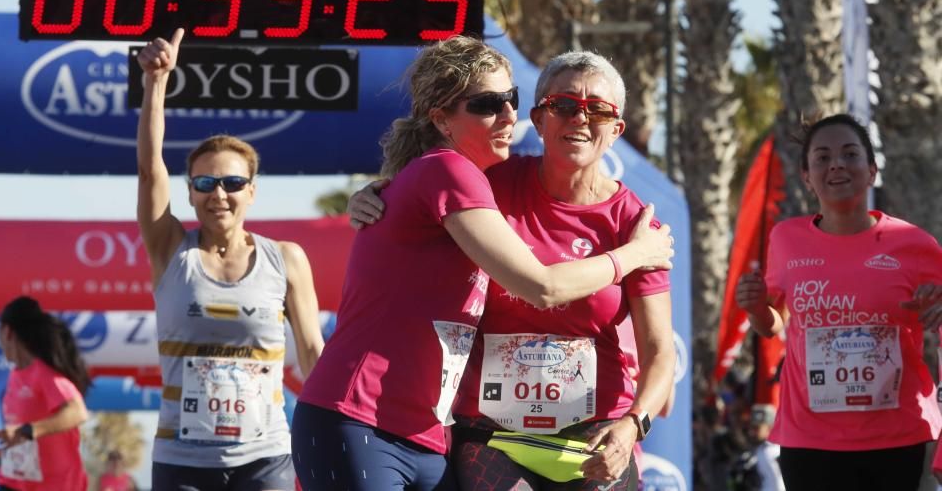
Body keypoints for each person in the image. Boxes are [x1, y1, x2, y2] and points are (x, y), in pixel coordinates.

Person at [293, 37, 673, 491]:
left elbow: (660, 352)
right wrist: (374, 194)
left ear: (617, 128)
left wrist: (635, 424)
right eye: (564, 105)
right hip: (484, 436)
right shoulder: (483, 180)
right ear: (542, 118)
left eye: (599, 110)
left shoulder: (636, 222)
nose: (580, 118)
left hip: (589, 434)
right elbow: (542, 285)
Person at [136, 29, 325, 491]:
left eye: (233, 184)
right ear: (191, 193)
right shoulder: (171, 250)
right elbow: (149, 169)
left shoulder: (286, 259)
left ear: (252, 191)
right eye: (204, 185)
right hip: (181, 462)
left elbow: (313, 353)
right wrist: (156, 83)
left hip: (266, 459)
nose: (218, 194)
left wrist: (341, 434)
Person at [735, 113, 942, 491]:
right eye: (822, 158)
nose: (837, 165)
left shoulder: (915, 245)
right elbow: (774, 325)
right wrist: (755, 308)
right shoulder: (786, 239)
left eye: (850, 155)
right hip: (810, 440)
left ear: (872, 170)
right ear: (806, 176)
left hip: (900, 437)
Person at [0, 296, 90, 491]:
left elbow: (77, 412)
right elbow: (30, 440)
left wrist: (26, 431)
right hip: (15, 483)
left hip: (56, 486)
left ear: (7, 332)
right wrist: (5, 454)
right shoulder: (15, 376)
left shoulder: (45, 375)